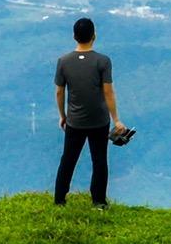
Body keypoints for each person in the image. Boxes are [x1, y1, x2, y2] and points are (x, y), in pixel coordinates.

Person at [53, 16, 127, 208]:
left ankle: (59, 199)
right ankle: (99, 201)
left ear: (74, 36)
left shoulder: (63, 61)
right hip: (99, 120)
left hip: (75, 121)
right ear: (94, 35)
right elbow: (108, 92)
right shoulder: (103, 61)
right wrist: (116, 120)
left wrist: (63, 116)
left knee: (68, 160)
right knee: (99, 160)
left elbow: (60, 92)